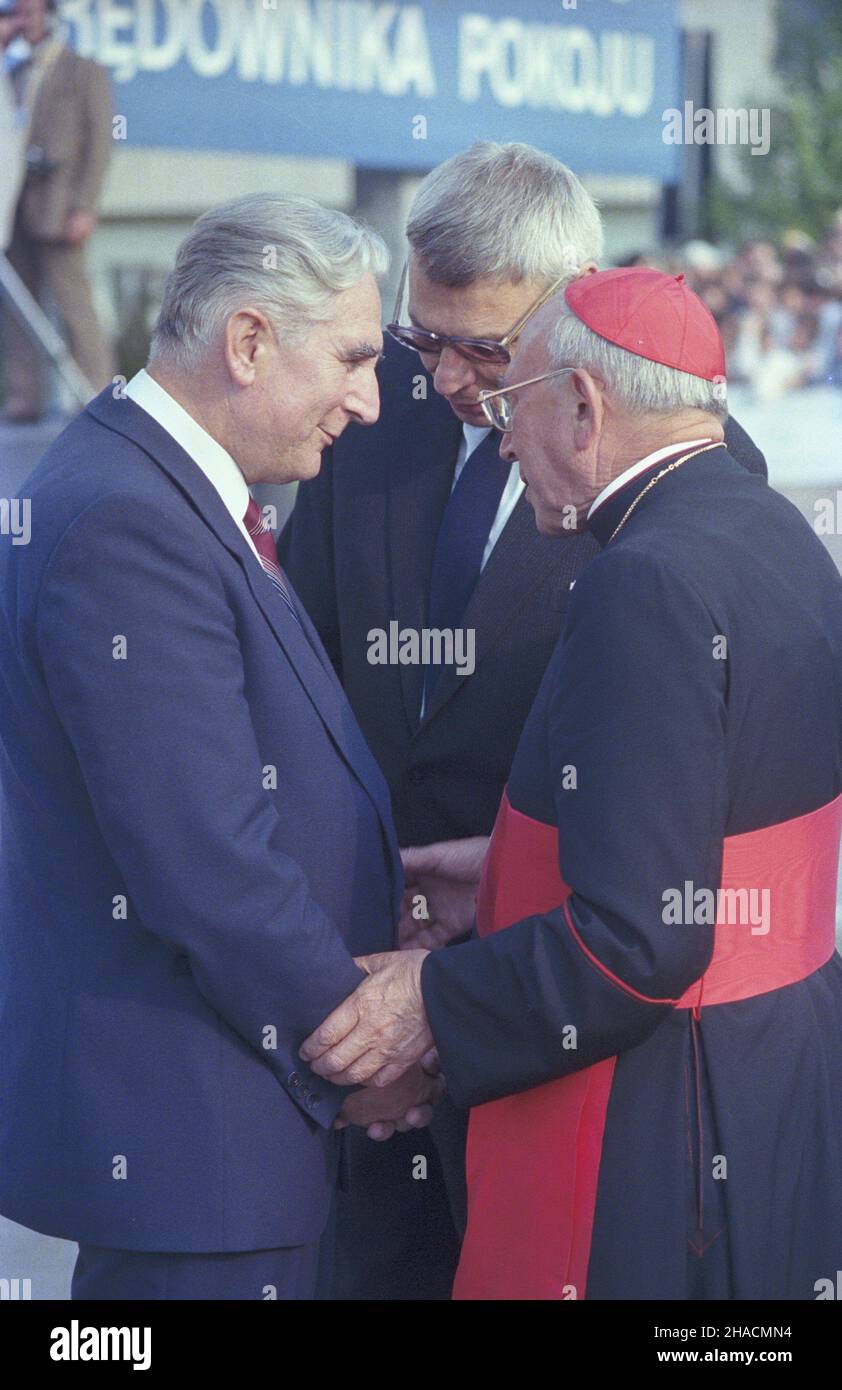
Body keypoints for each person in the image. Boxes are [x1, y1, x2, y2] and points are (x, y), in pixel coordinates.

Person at [279, 140, 768, 1300]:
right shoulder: (367, 417)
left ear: (577, 314)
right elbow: (302, 672)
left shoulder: (682, 477)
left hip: (545, 1018)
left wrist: (455, 984)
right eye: (420, 337)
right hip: (362, 987)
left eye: (483, 349)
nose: (445, 378)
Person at [0, 194, 441, 1302]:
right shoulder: (129, 522)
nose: (371, 401)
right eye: (349, 357)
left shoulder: (154, 484)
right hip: (197, 1141)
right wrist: (357, 1053)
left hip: (222, 1134)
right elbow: (202, 858)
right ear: (247, 341)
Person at [1, 0, 116, 420]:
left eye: (31, 13)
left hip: (60, 208)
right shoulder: (11, 71)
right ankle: (24, 397)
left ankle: (97, 393)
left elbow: (99, 146)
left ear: (50, 15)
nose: (23, 22)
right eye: (17, 14)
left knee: (74, 307)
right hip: (14, 209)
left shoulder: (83, 70)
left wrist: (84, 206)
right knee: (19, 312)